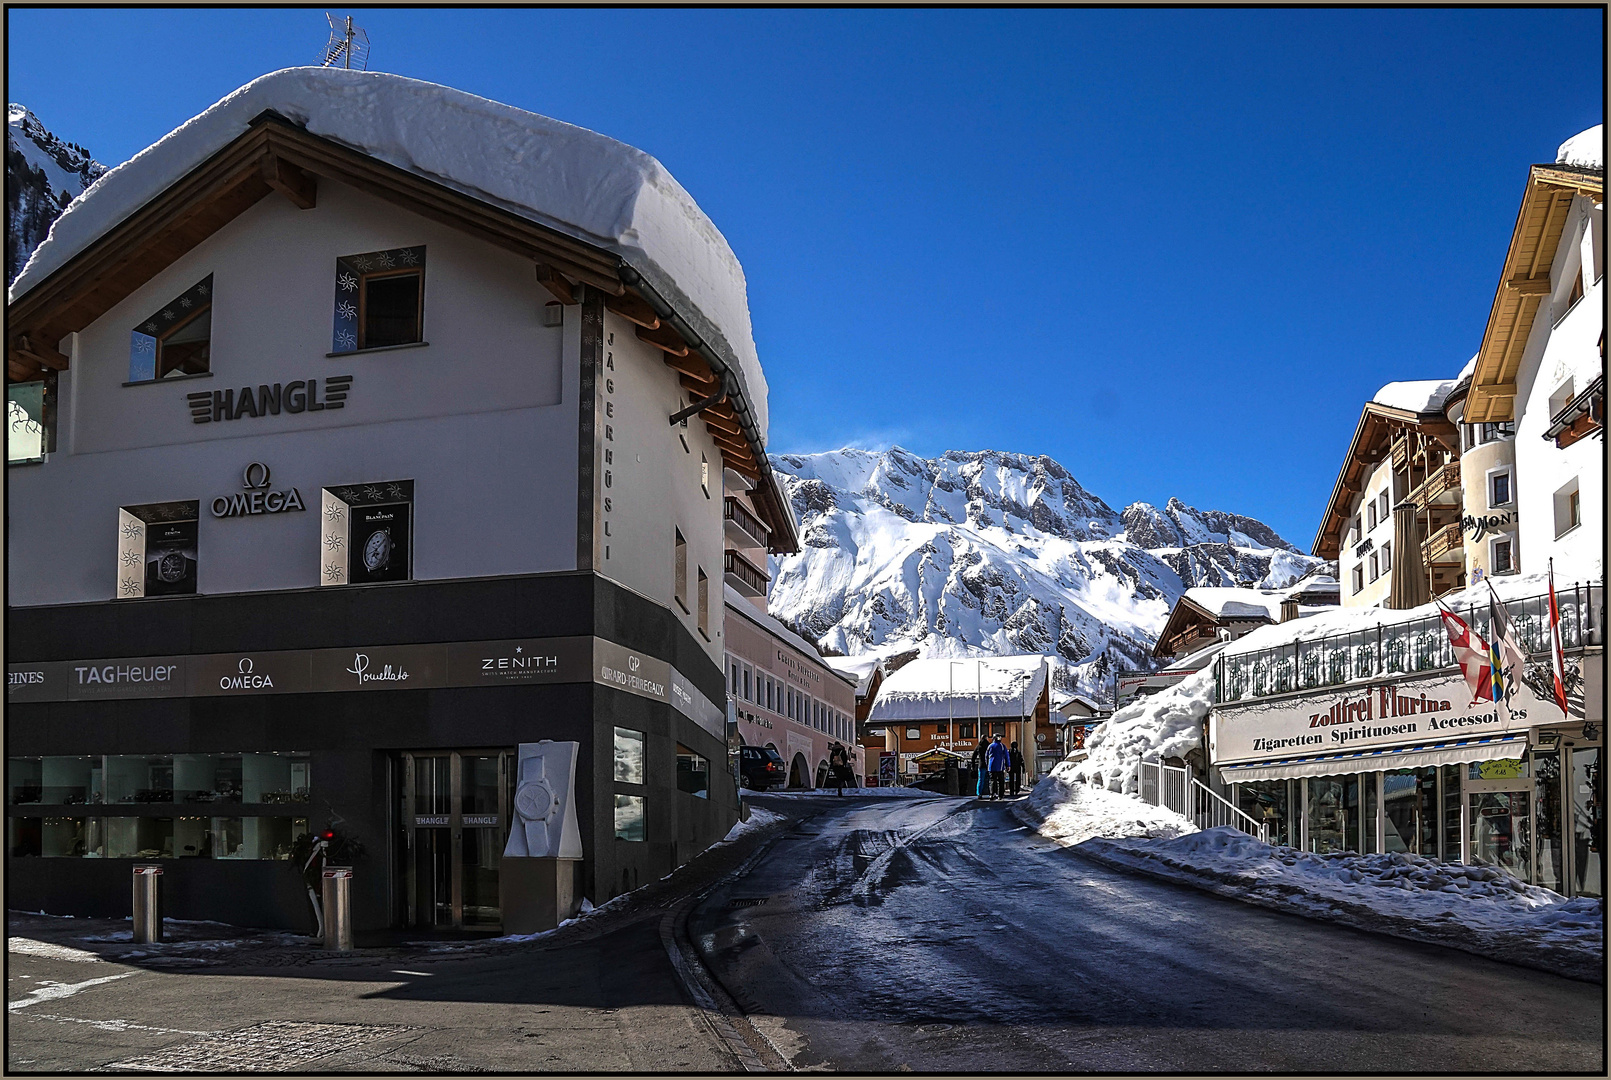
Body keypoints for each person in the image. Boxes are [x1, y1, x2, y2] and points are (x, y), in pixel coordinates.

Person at [985, 734, 1010, 800]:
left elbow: (986, 756)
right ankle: (1000, 795)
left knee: (992, 781)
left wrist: (987, 765)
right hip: (1000, 766)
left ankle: (992, 794)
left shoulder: (990, 746)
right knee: (1001, 781)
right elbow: (1006, 756)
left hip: (991, 766)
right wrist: (1008, 765)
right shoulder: (1002, 746)